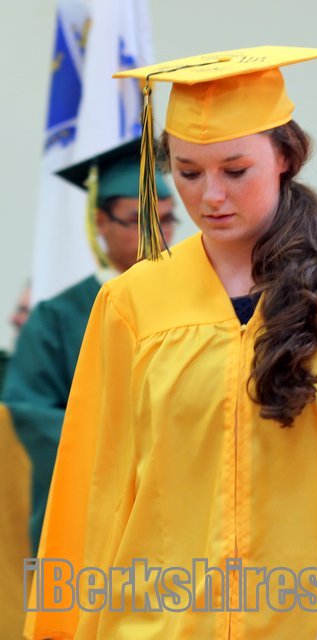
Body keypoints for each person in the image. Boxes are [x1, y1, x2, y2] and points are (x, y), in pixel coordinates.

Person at [25, 46, 317, 640]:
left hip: (316, 622)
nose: (210, 196)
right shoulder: (132, 303)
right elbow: (99, 484)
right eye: (188, 173)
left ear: (285, 157)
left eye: (235, 171)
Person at [2, 137, 177, 553]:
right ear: (100, 222)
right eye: (138, 220)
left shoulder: (193, 303)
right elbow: (29, 410)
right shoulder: (57, 315)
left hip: (177, 505)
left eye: (168, 219)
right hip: (91, 507)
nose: (158, 233)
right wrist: (123, 450)